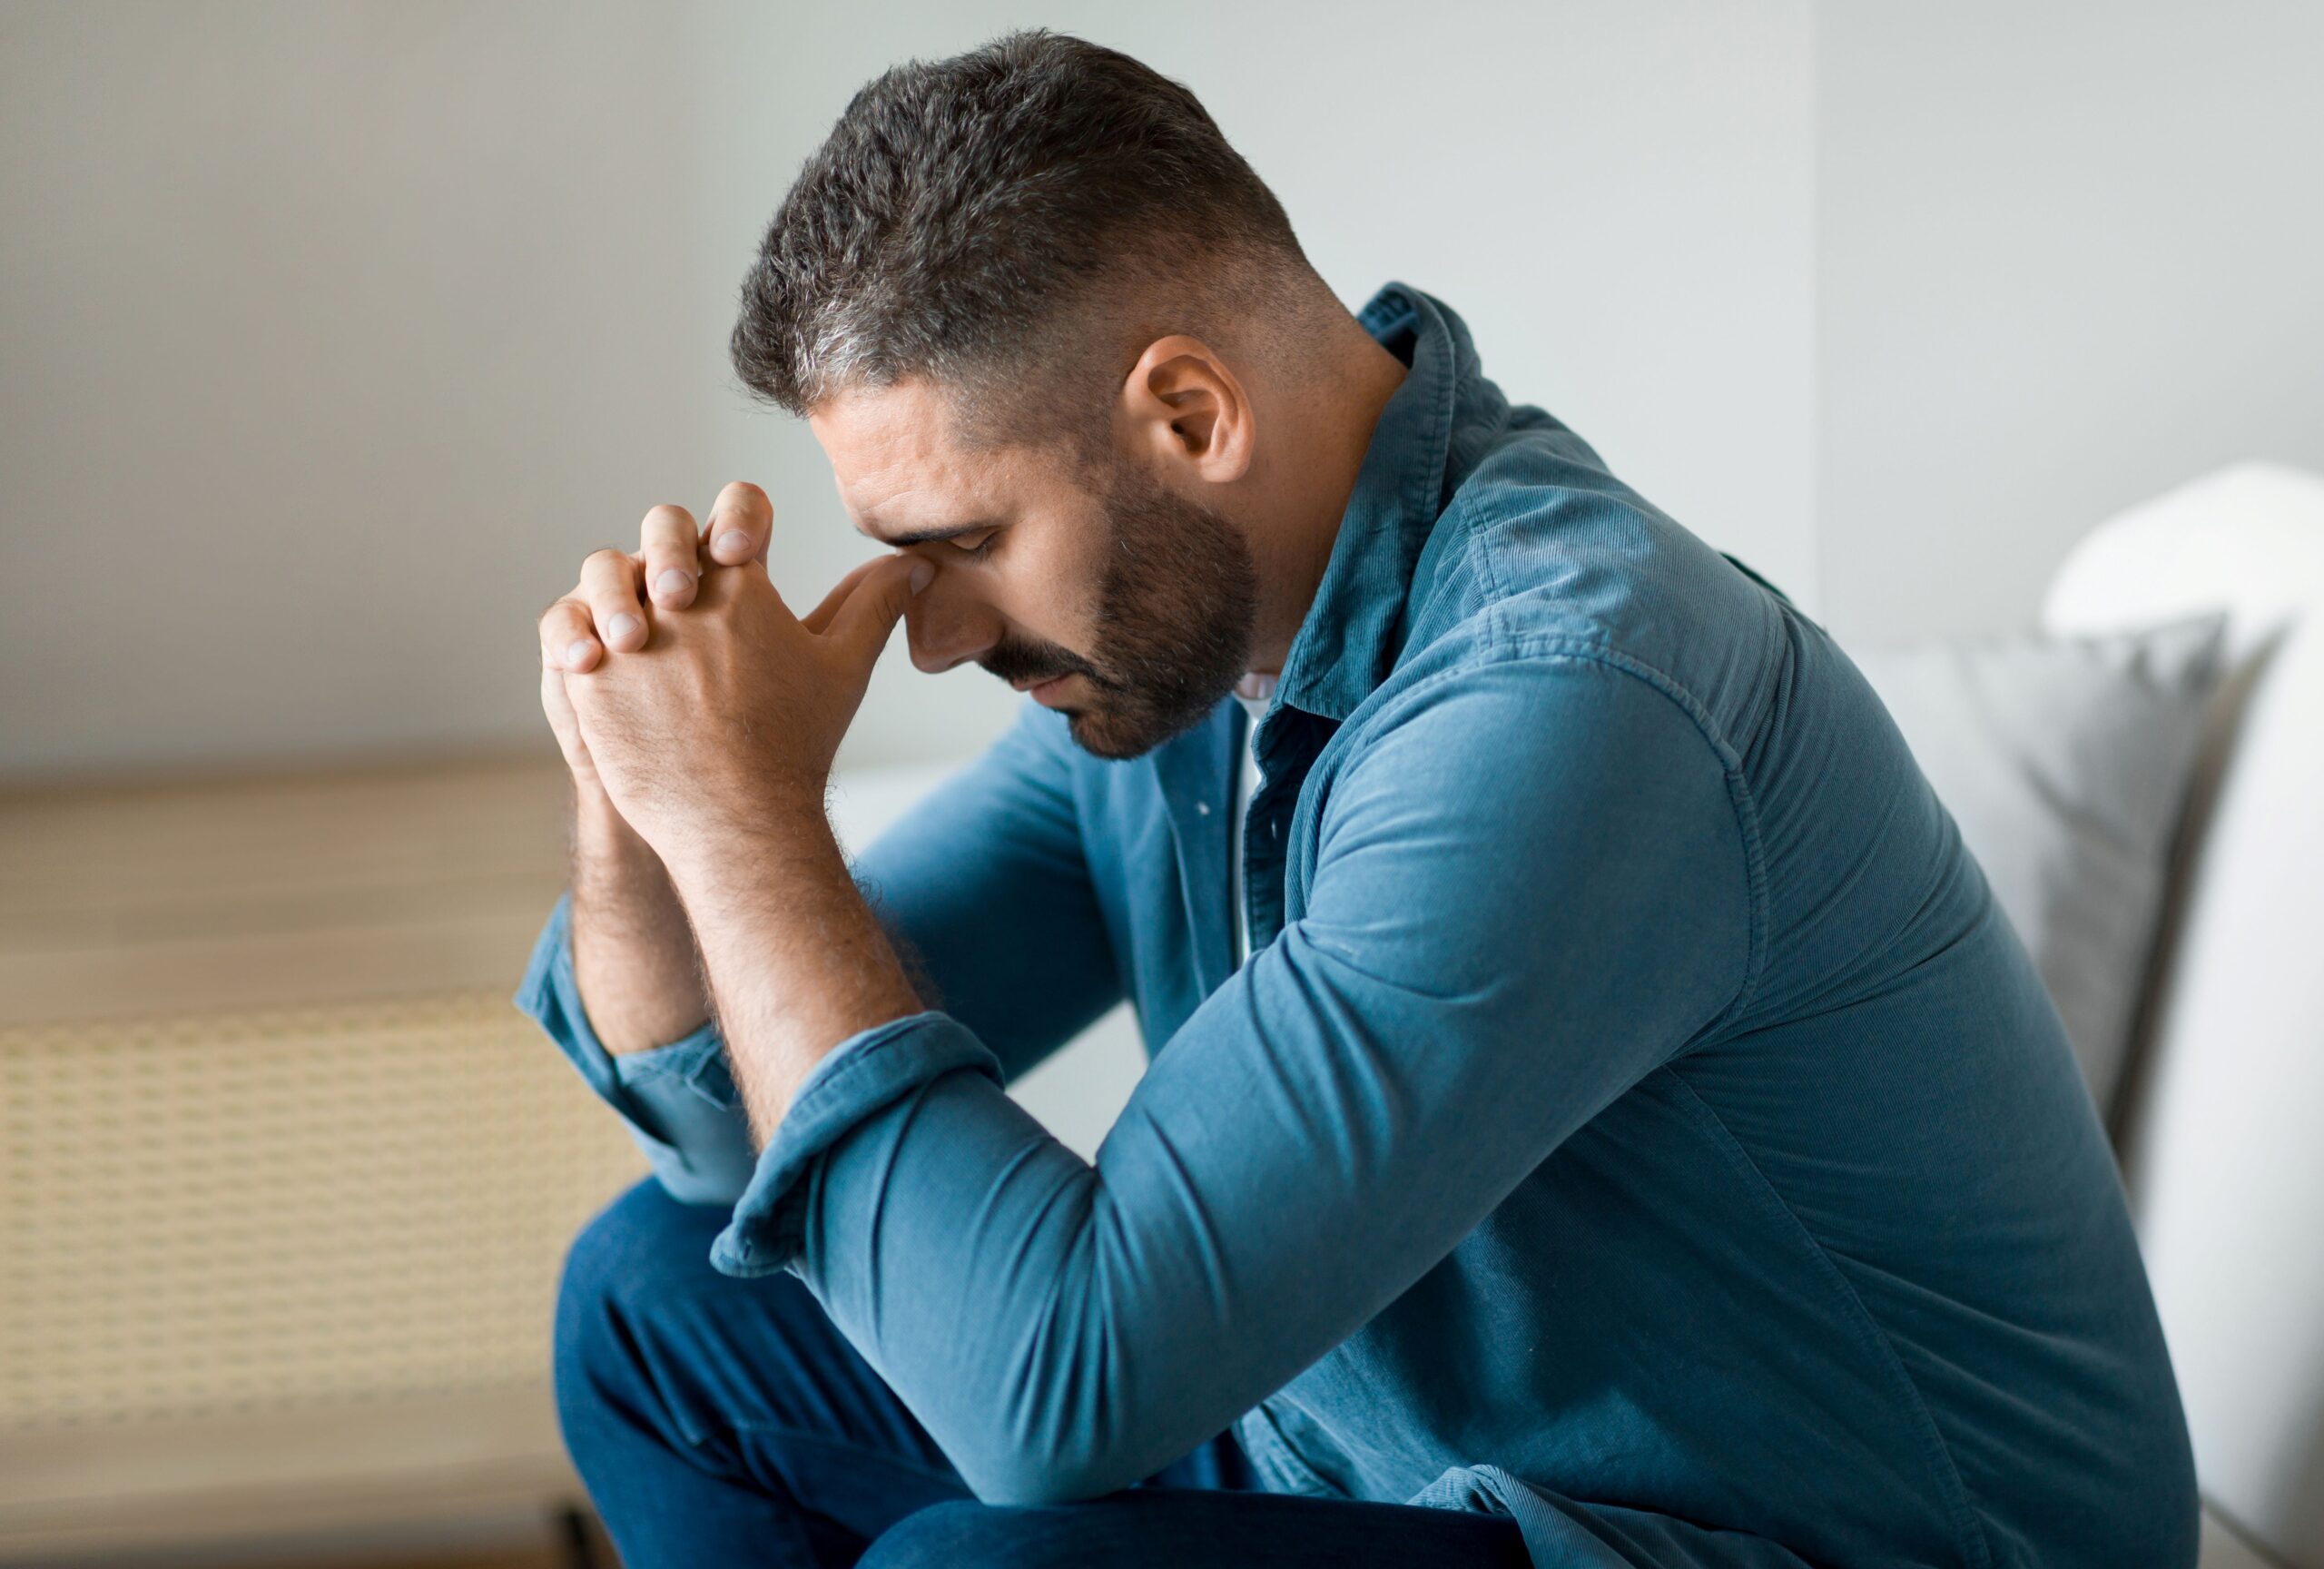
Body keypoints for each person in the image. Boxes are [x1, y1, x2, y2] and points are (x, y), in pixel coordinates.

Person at [517, 29, 2196, 1569]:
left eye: (964, 544)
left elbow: (1052, 1398)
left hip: (1768, 1538)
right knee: (653, 1312)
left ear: (1189, 413)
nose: (940, 637)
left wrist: (749, 823)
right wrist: (643, 795)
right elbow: (736, 1154)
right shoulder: (1182, 665)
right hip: (1382, 1461)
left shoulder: (1570, 698)